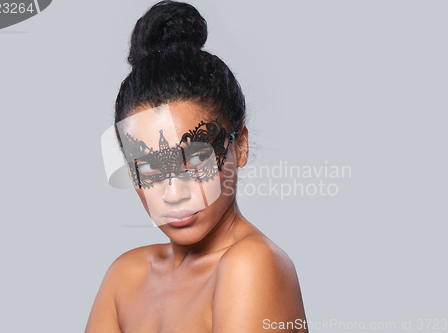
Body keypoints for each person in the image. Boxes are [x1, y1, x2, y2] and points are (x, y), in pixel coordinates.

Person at [85, 1, 308, 332]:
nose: (174, 194)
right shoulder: (125, 276)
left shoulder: (252, 265)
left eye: (195, 162)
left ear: (241, 146)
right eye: (148, 170)